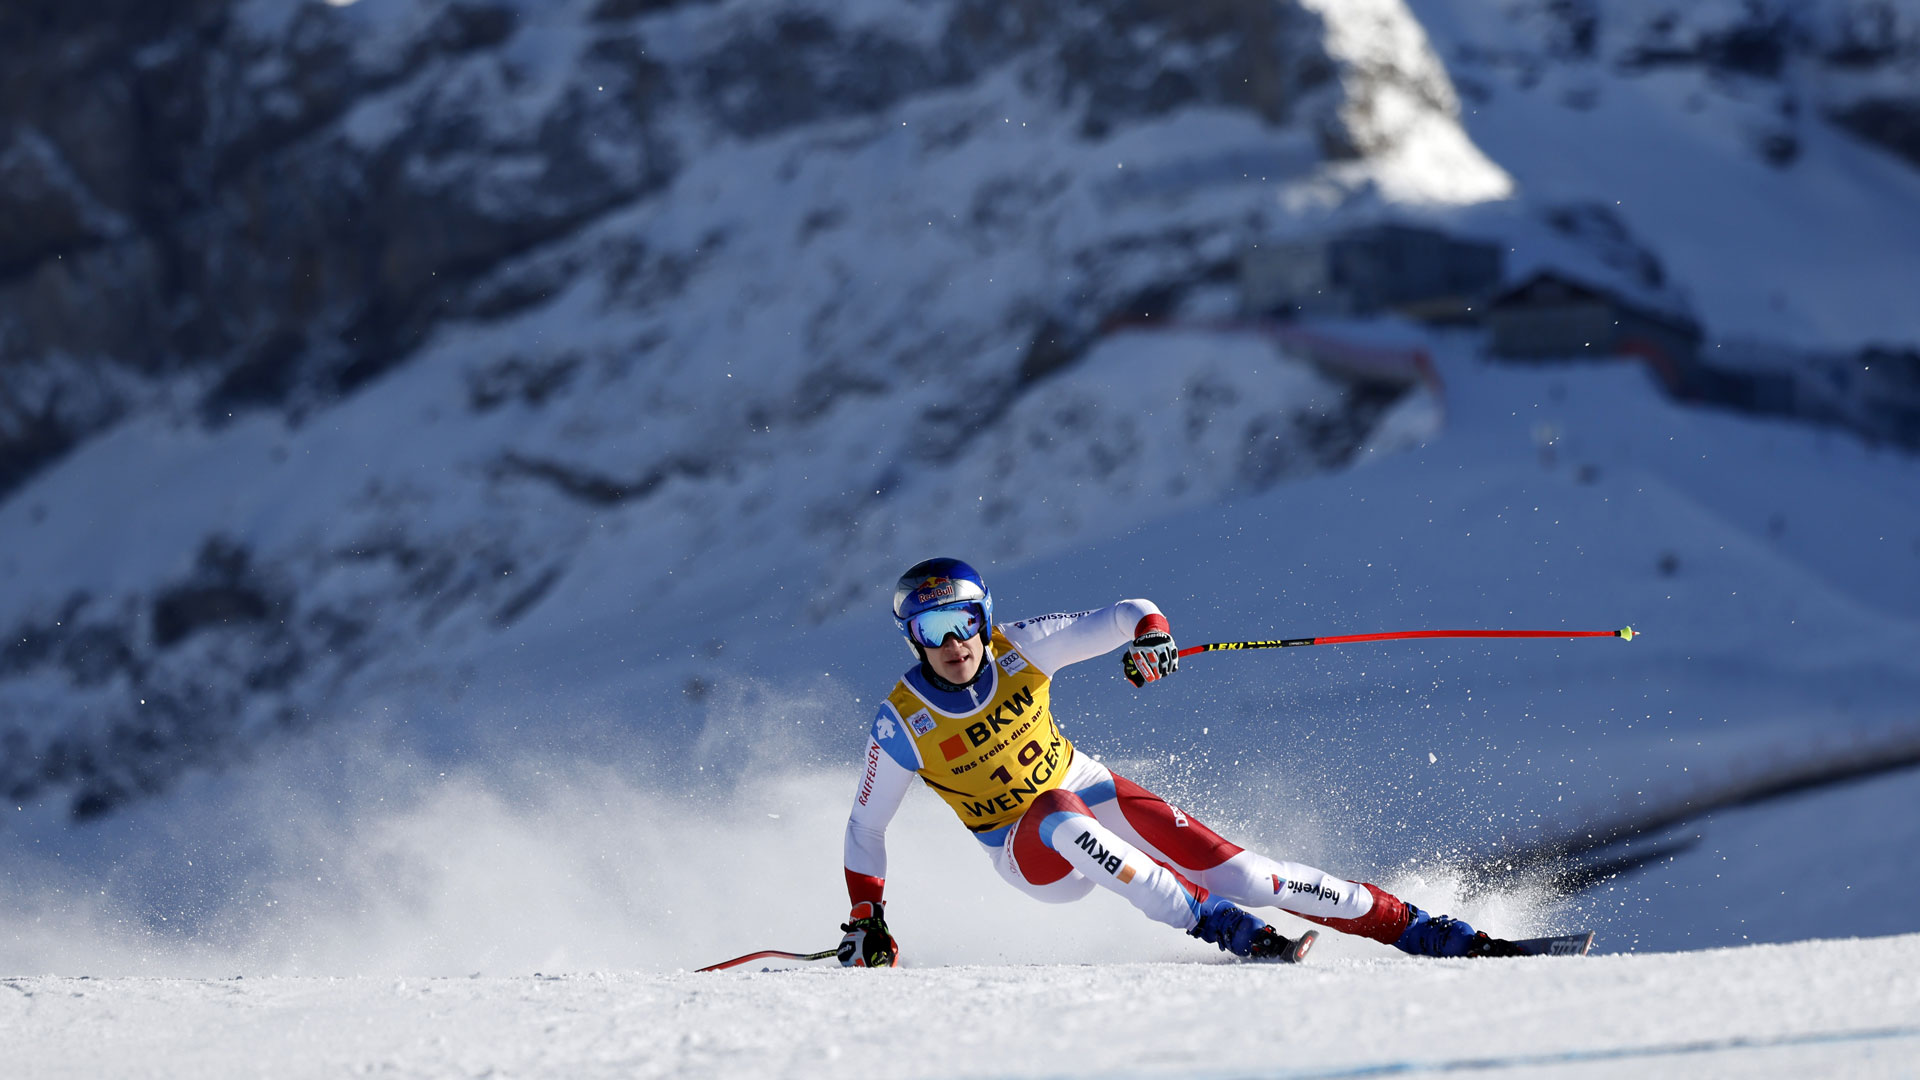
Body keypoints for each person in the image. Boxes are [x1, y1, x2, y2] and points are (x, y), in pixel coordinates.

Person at [836, 557, 1528, 967]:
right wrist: (868, 916)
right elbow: (866, 829)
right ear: (913, 640)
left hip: (1088, 788)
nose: (954, 642)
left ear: (985, 619)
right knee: (1053, 813)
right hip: (1028, 852)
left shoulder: (1022, 648)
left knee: (1249, 873)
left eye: (964, 621)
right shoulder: (903, 722)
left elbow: (1130, 612)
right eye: (932, 630)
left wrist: (1152, 639)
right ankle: (1216, 924)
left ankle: (1427, 932)